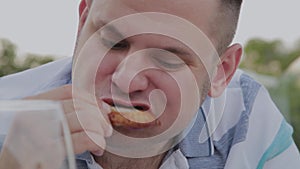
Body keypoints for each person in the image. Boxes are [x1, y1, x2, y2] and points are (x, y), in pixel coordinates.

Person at [0, 0, 299, 168]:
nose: (126, 80)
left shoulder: (248, 122)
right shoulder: (7, 121)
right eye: (113, 42)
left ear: (221, 71)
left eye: (168, 58)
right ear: (83, 21)